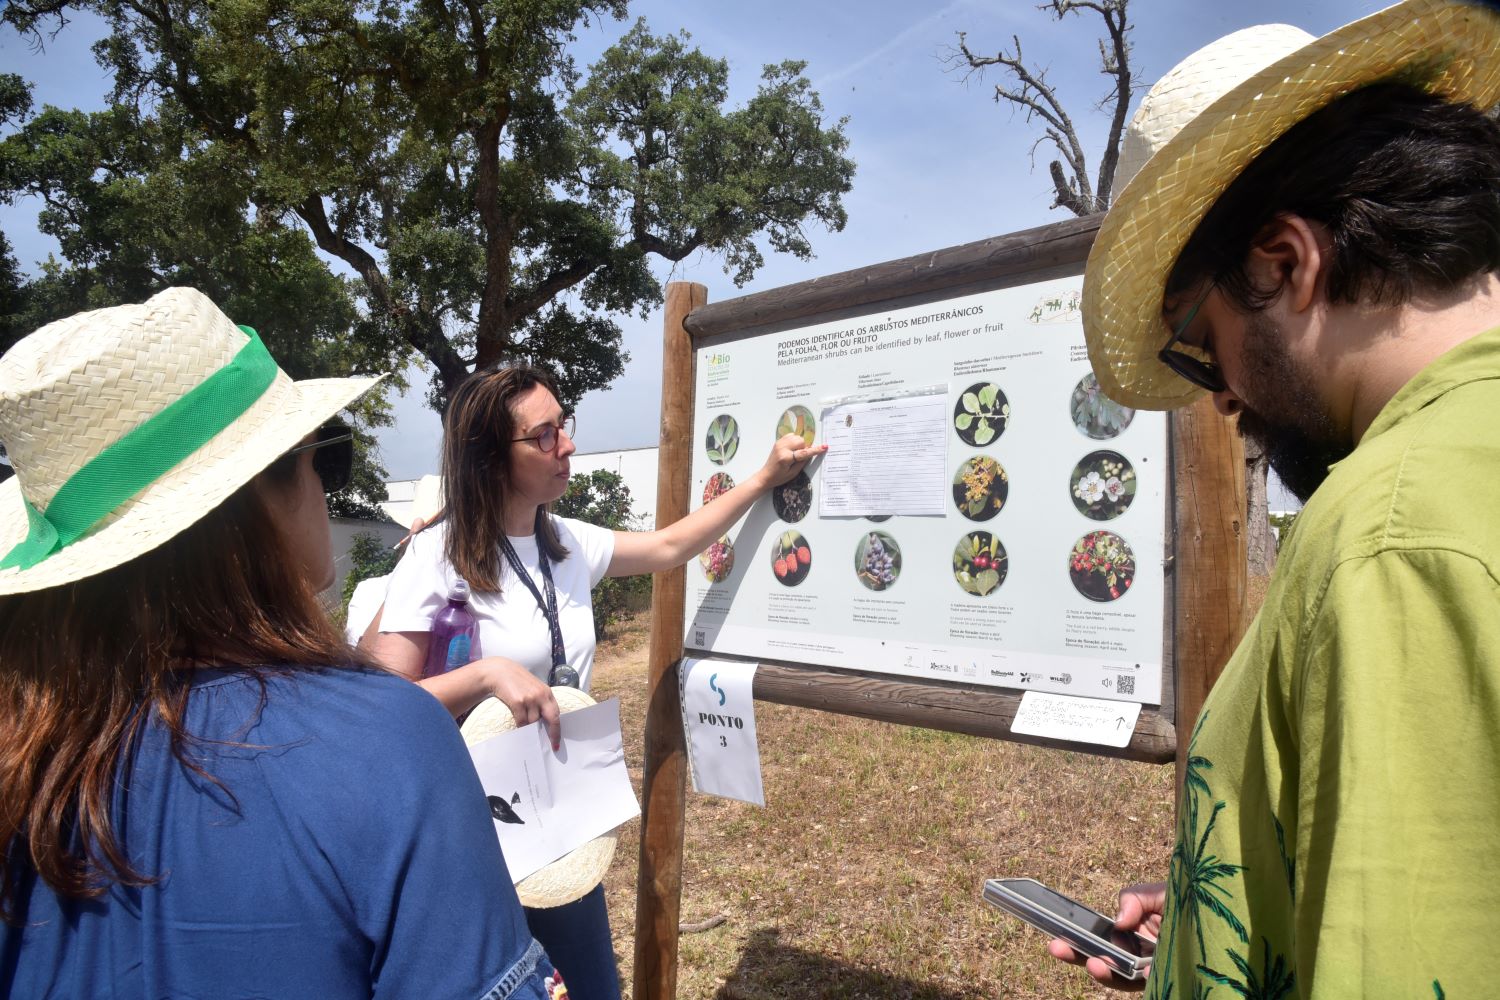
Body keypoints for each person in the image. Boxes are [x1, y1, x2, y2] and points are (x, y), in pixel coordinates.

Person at [1046, 2, 1500, 996]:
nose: (1218, 392)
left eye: (1199, 344)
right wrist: (1235, 906)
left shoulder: (1386, 538)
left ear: (1285, 264)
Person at [0, 288, 562, 999]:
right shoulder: (383, 743)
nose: (328, 491)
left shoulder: (26, 751)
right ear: (259, 497)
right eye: (325, 459)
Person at [367, 363, 823, 1000]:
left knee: (587, 987)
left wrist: (764, 478)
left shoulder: (568, 544)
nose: (568, 445)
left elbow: (669, 547)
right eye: (544, 435)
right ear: (492, 457)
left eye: (564, 425)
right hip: (473, 834)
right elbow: (380, 705)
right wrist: (485, 675)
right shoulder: (435, 556)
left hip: (562, 820)